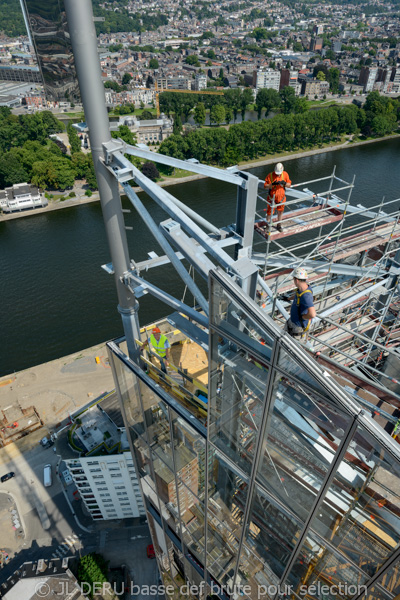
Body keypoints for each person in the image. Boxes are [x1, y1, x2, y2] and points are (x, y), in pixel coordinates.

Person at [285, 267, 317, 337]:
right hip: (293, 321)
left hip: (298, 327)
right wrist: (288, 298)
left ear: (296, 280)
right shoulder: (302, 289)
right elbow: (298, 296)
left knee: (289, 345)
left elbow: (313, 314)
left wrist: (303, 317)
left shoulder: (306, 296)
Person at [264, 162, 291, 232]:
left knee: (280, 212)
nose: (278, 174)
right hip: (272, 198)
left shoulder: (285, 174)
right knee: (269, 212)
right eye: (277, 173)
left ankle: (279, 225)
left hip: (281, 198)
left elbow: (289, 185)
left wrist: (284, 183)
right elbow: (265, 186)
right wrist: (272, 184)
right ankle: (267, 225)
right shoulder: (270, 175)